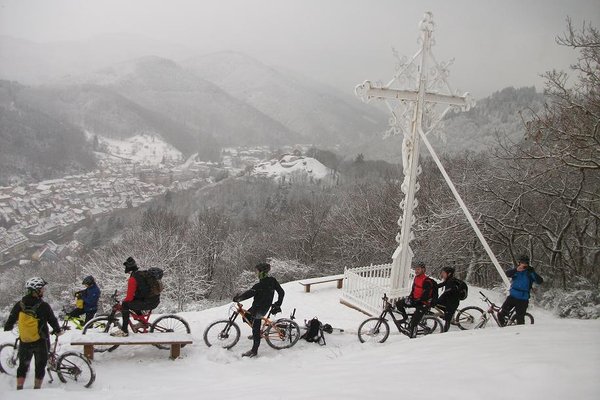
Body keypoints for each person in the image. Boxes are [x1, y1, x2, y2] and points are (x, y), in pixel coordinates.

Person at [3, 277, 62, 390]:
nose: (43, 291)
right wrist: (58, 331)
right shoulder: (44, 306)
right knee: (40, 366)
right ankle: (36, 389)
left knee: (23, 366)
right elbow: (53, 320)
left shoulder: (19, 305)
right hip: (41, 341)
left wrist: (8, 326)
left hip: (25, 341)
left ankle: (19, 387)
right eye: (42, 289)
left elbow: (10, 320)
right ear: (36, 290)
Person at [233, 262, 285, 358]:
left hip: (260, 309)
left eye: (257, 271)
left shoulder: (259, 285)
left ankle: (254, 350)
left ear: (261, 272)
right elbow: (281, 292)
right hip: (261, 306)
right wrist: (278, 304)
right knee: (247, 316)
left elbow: (249, 294)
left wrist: (238, 298)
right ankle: (256, 333)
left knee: (256, 329)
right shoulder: (272, 280)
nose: (255, 273)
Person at [111, 257, 160, 337]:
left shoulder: (133, 279)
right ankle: (143, 322)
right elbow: (138, 291)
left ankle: (124, 330)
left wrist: (124, 301)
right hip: (153, 300)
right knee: (132, 303)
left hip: (148, 302)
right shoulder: (140, 274)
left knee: (125, 305)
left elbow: (129, 296)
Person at [498, 255, 544, 326]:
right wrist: (516, 270)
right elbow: (507, 274)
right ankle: (504, 329)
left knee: (520, 320)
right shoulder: (516, 270)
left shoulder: (530, 272)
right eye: (522, 262)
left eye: (525, 263)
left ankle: (520, 335)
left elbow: (540, 281)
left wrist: (532, 272)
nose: (523, 264)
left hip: (523, 299)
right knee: (501, 314)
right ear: (519, 263)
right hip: (512, 296)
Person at [395, 260, 436, 338]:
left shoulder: (426, 281)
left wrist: (418, 300)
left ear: (423, 270)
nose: (416, 271)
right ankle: (405, 318)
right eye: (415, 269)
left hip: (423, 303)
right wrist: (410, 297)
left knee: (413, 322)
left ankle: (412, 336)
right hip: (415, 300)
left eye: (418, 269)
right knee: (398, 303)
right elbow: (413, 290)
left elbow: (426, 295)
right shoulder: (416, 278)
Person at [435, 266, 462, 332]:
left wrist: (438, 299)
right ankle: (447, 314)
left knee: (447, 318)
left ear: (449, 274)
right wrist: (432, 286)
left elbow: (447, 292)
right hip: (449, 301)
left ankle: (445, 333)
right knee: (437, 304)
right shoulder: (449, 280)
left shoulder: (451, 281)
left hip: (453, 302)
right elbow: (441, 285)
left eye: (443, 273)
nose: (442, 274)